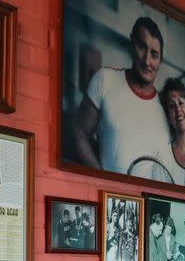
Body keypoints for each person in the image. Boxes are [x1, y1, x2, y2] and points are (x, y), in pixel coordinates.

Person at [72, 17, 169, 176]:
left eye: (154, 55)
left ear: (160, 60)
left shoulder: (165, 106)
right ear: (132, 44)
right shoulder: (104, 80)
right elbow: (80, 132)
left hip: (152, 200)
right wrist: (101, 178)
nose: (147, 61)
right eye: (142, 47)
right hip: (112, 198)